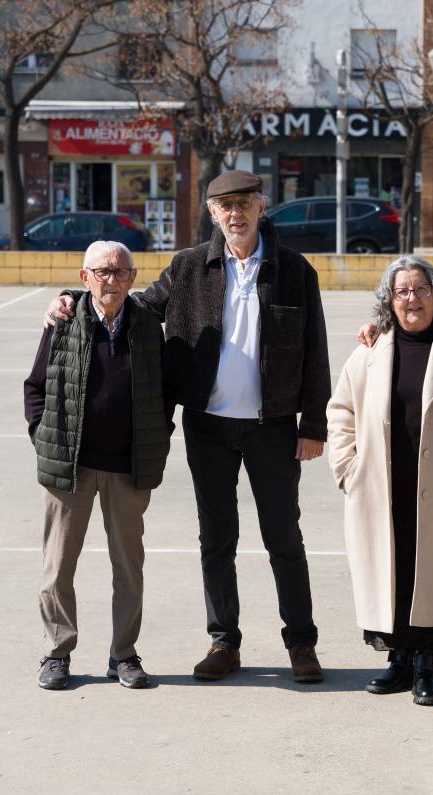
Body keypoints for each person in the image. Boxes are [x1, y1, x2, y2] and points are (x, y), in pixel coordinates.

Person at [45, 170, 331, 683]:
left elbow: (316, 353)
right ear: (213, 213)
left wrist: (314, 426)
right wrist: (73, 294)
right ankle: (224, 642)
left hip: (274, 427)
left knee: (283, 537)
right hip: (208, 426)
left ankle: (301, 643)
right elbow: (127, 304)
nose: (236, 214)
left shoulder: (294, 271)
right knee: (216, 539)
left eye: (244, 203)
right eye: (226, 206)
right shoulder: (188, 267)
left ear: (261, 207)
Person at [327, 257, 433, 705]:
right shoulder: (368, 353)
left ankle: (427, 664)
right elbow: (340, 412)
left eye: (421, 289)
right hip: (380, 486)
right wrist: (348, 467)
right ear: (390, 300)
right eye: (402, 291)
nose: (412, 299)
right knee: (392, 570)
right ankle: (398, 661)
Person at [24, 241, 174, 691]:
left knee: (129, 568)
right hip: (69, 466)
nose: (113, 280)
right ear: (85, 276)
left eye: (122, 272)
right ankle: (57, 652)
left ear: (133, 277)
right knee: (57, 568)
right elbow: (35, 387)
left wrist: (156, 437)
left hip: (127, 468)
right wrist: (43, 437)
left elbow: (164, 394)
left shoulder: (148, 326)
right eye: (103, 272)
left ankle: (123, 654)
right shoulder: (64, 321)